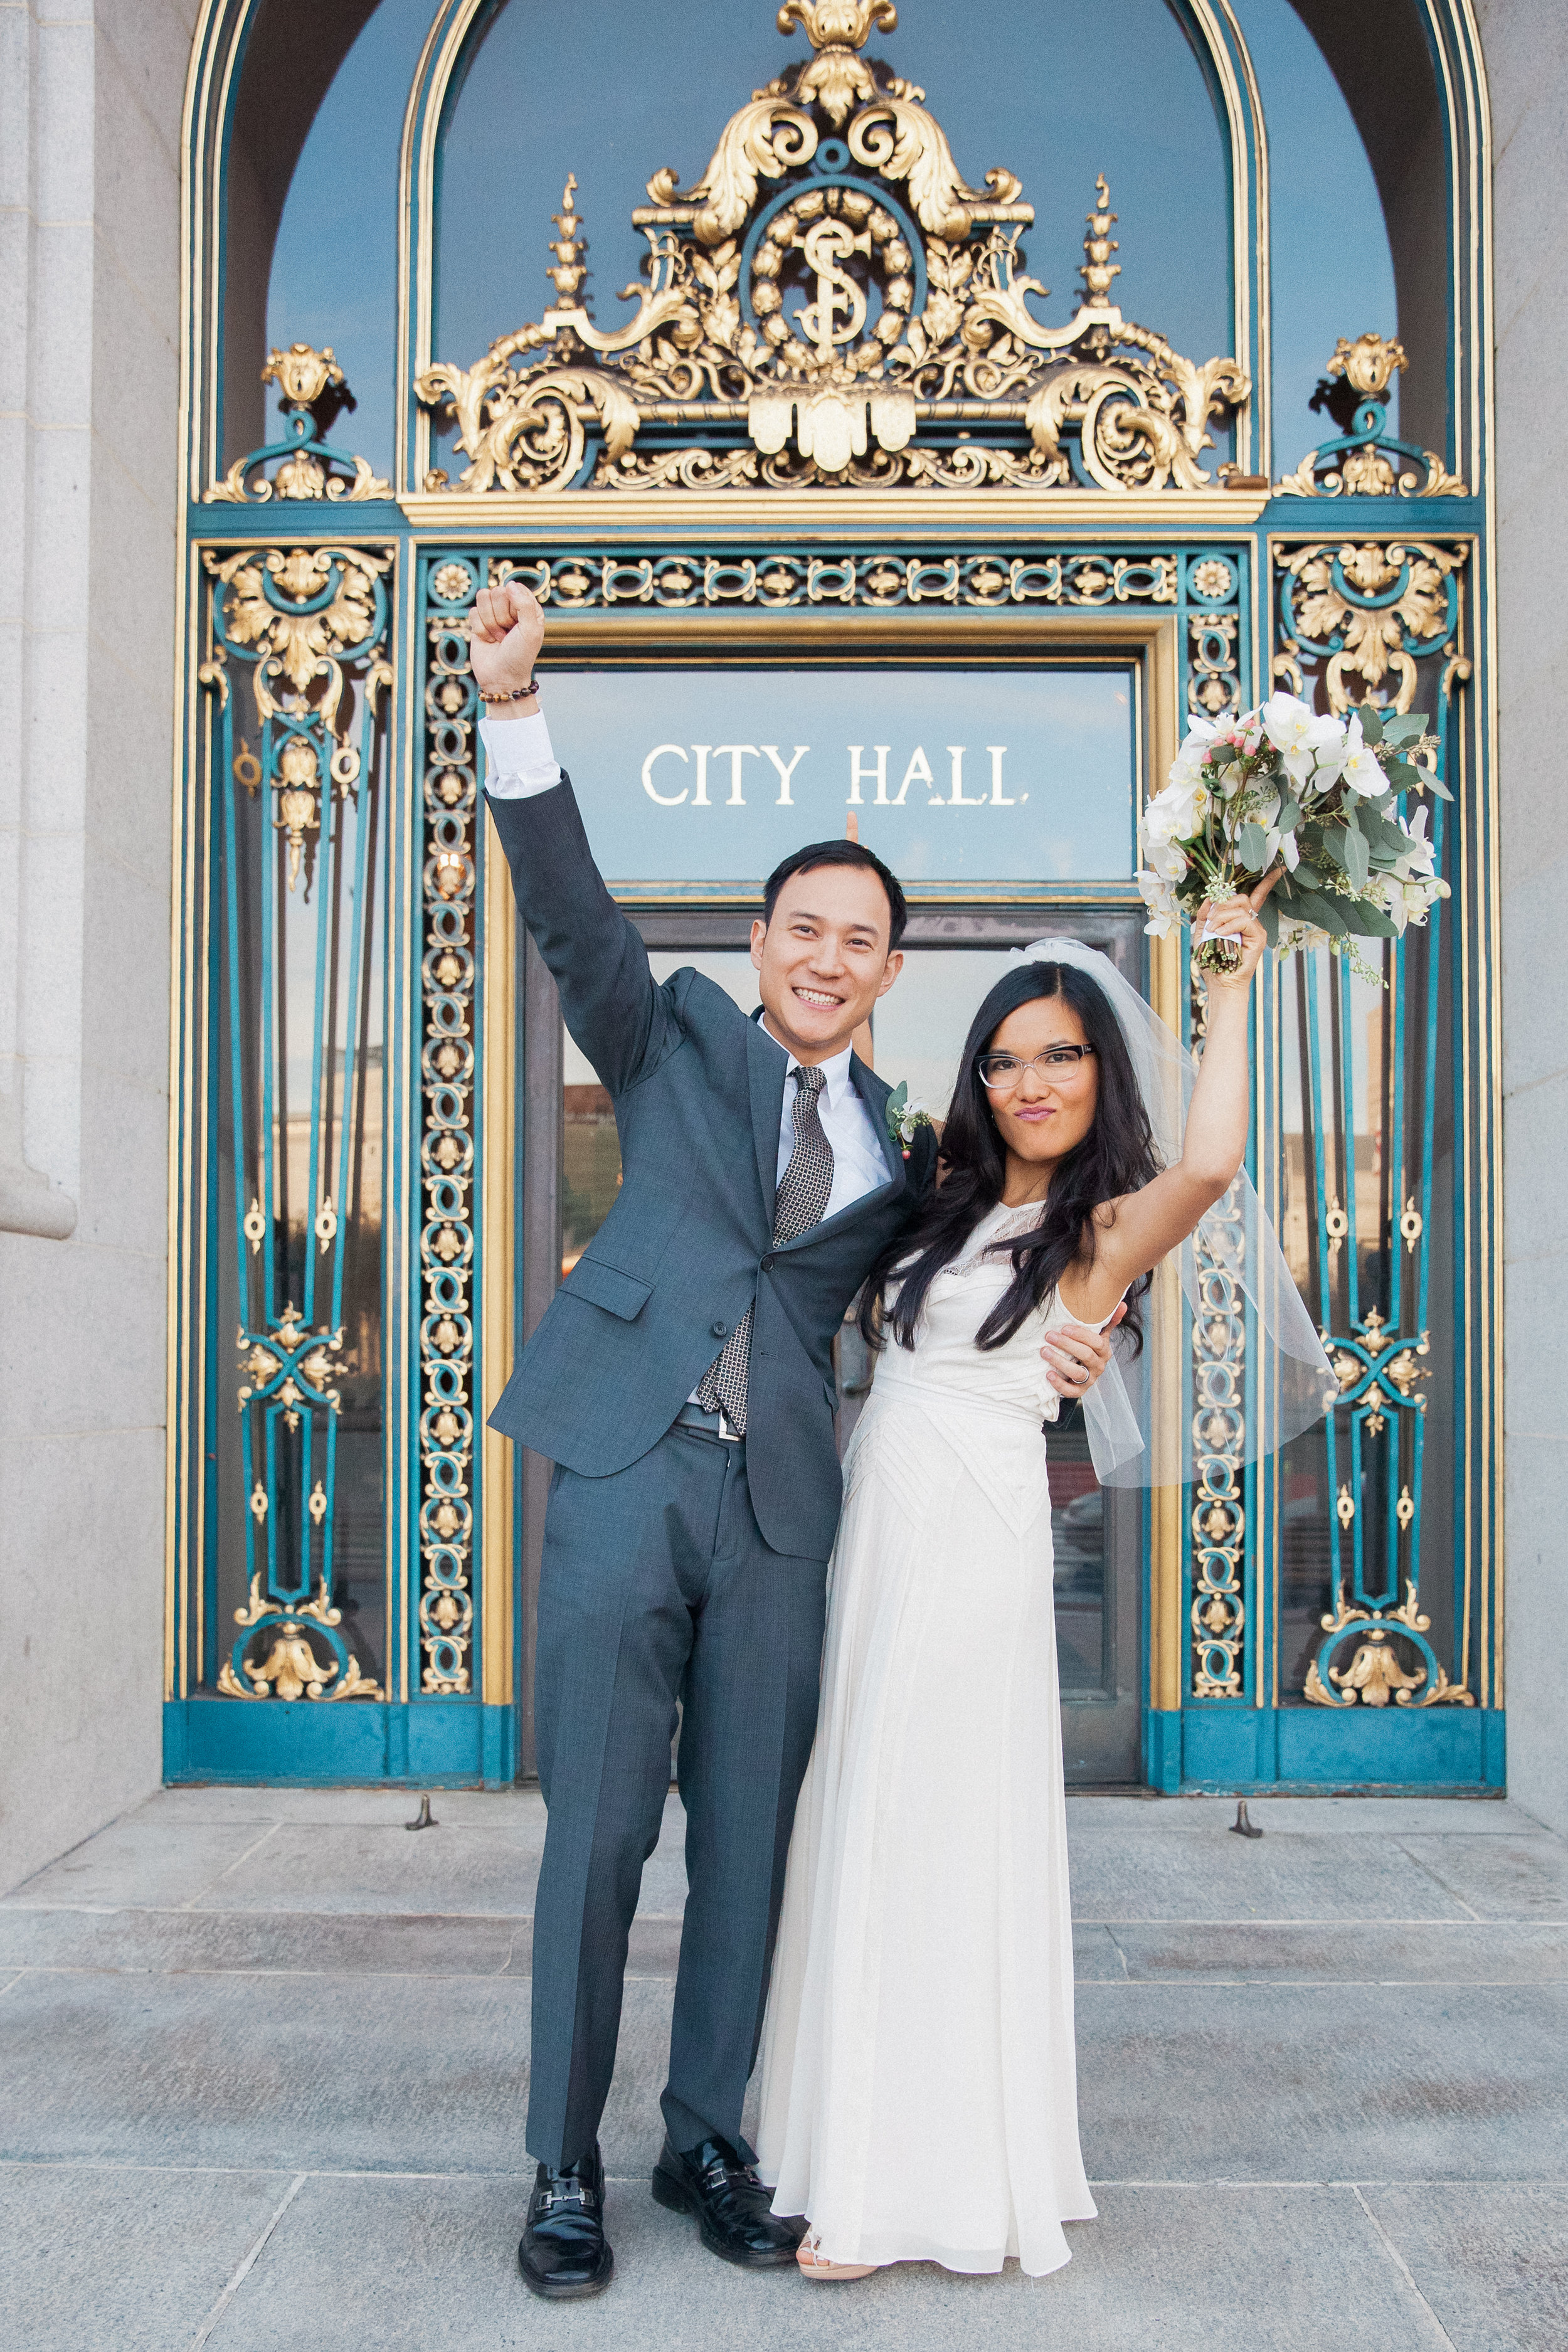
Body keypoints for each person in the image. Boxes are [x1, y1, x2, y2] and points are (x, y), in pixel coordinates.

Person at [466, 580, 1118, 2300]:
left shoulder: (911, 1157)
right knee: (599, 1834)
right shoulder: (668, 1031)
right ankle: (560, 2161)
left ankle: (701, 2137)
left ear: (890, 970)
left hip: (778, 1516)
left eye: (859, 940)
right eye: (802, 928)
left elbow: (984, 1267)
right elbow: (568, 912)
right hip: (621, 1471)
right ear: (763, 944)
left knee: (748, 1837)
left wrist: (1074, 1321)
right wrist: (514, 702)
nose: (826, 957)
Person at [758, 886, 1318, 2280]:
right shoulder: (932, 1199)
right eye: (1007, 1058)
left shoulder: (1100, 1230)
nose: (1030, 1081)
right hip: (876, 1530)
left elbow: (1206, 1167)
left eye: (1061, 1056)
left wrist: (1231, 984)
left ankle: (907, 2191)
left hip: (972, 1539)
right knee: (861, 1811)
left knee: (928, 1828)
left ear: (1097, 1074)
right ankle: (836, 2140)